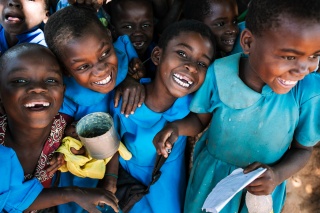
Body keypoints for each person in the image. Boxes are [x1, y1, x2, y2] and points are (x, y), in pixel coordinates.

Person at [153, 0, 320, 212]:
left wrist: (277, 175)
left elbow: (303, 149)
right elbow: (199, 120)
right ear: (248, 42)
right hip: (211, 181)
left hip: (263, 188)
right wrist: (176, 128)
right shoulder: (218, 73)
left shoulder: (308, 92)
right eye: (289, 56)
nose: (304, 69)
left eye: (315, 55)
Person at [44, 5, 145, 213]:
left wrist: (130, 79)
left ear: (109, 36)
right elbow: (61, 138)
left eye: (105, 53)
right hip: (86, 172)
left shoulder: (124, 57)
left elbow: (138, 73)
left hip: (133, 164)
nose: (100, 70)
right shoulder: (68, 95)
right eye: (83, 67)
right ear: (65, 71)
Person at [0, 43, 119, 213]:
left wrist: (110, 179)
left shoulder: (66, 128)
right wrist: (73, 194)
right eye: (20, 80)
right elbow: (12, 200)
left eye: (51, 80)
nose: (38, 87)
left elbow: (112, 147)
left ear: (63, 92)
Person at [112, 20, 216, 213]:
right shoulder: (127, 102)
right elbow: (109, 148)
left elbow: (200, 121)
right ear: (157, 56)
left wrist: (176, 128)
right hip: (132, 194)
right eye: (182, 54)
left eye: (202, 63)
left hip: (170, 192)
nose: (192, 67)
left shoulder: (190, 103)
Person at [106, 0, 157, 79]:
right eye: (127, 27)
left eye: (146, 25)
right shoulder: (110, 59)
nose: (138, 33)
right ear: (113, 30)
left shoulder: (156, 51)